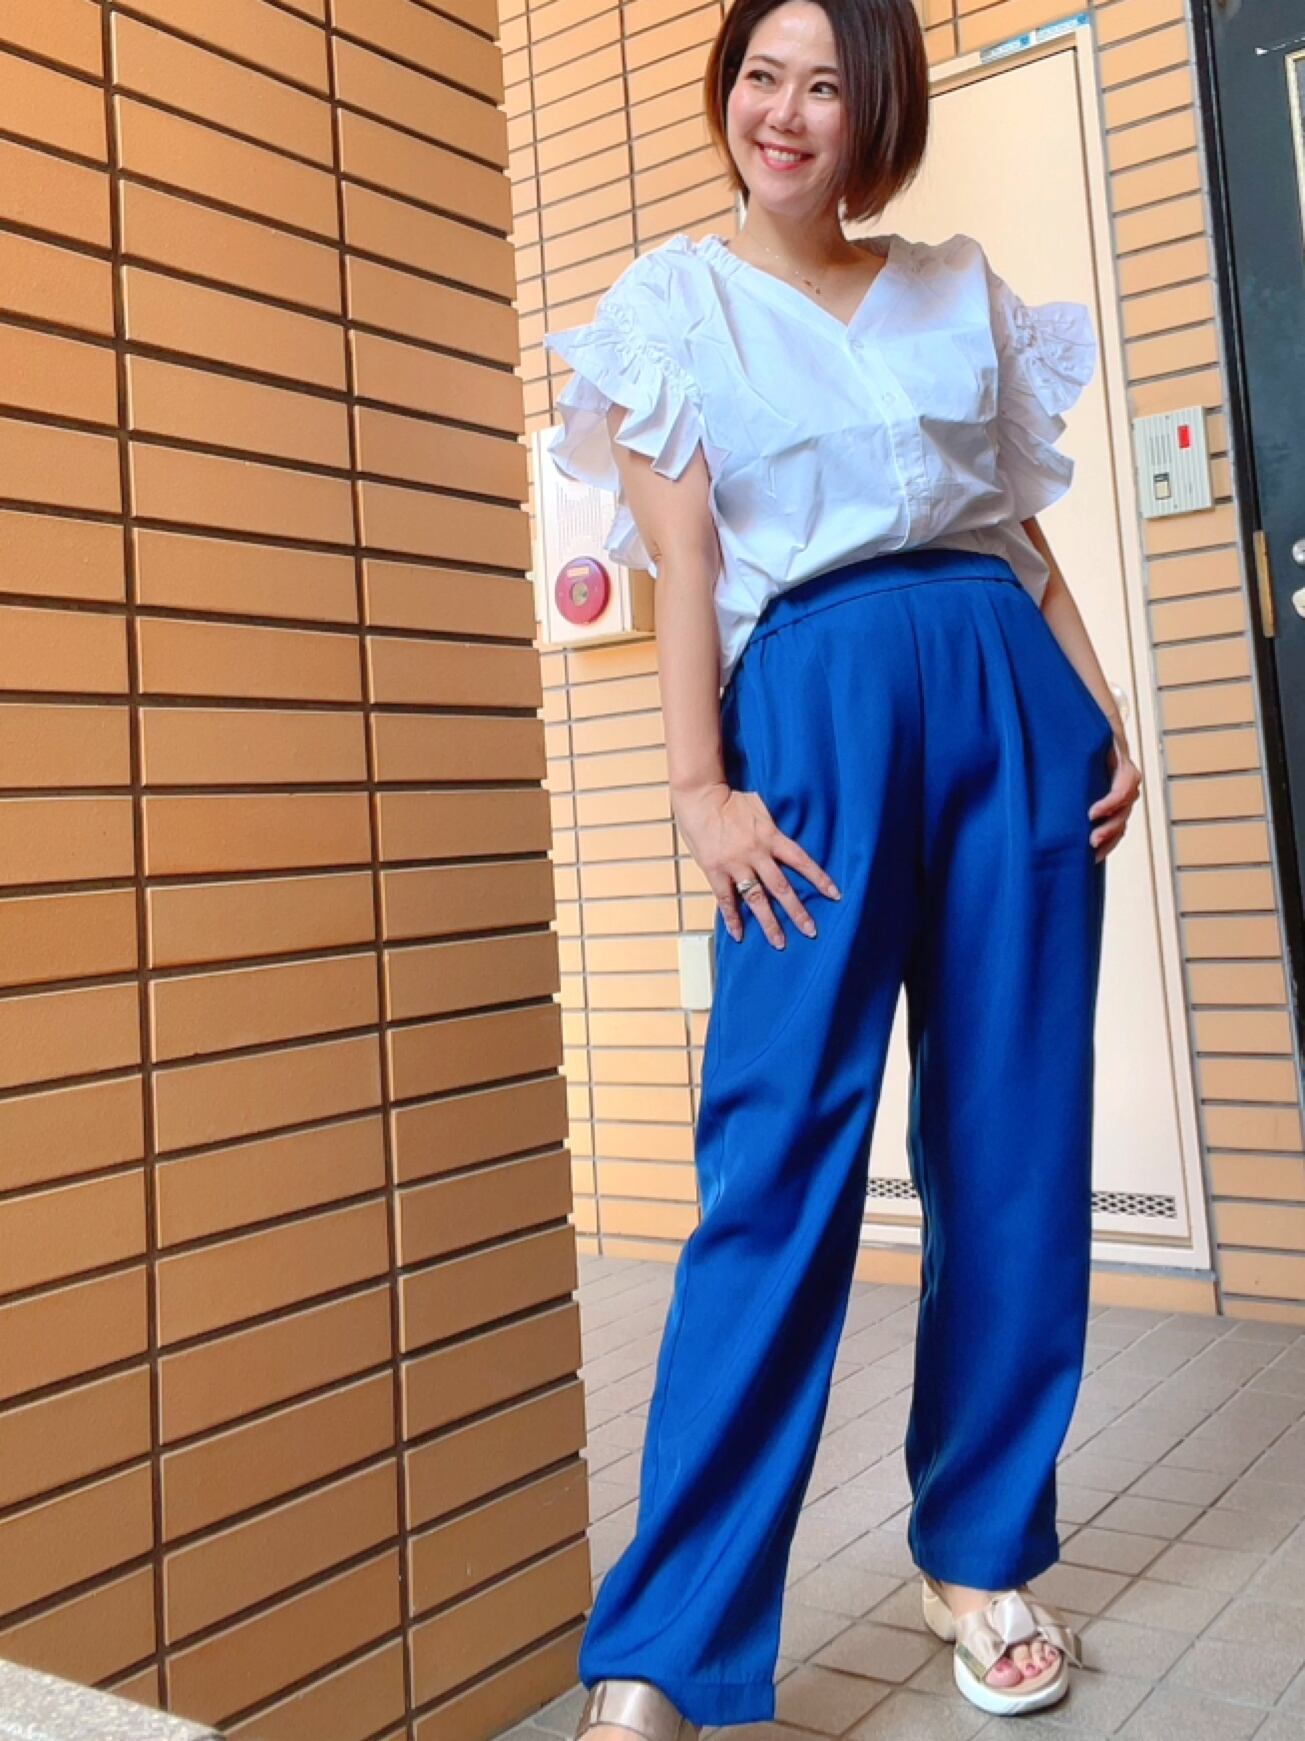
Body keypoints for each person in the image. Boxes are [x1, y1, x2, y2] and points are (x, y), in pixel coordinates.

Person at [541, 0, 1143, 1731]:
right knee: (775, 1166)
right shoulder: (672, 307)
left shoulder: (954, 286)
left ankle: (979, 1551)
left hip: (1006, 701)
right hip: (808, 712)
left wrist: (1098, 706)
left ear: (873, 108)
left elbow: (1012, 532)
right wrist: (698, 790)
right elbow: (680, 564)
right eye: (760, 76)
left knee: (1013, 1142)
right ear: (725, 93)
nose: (785, 112)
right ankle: (667, 1641)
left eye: (823, 83)